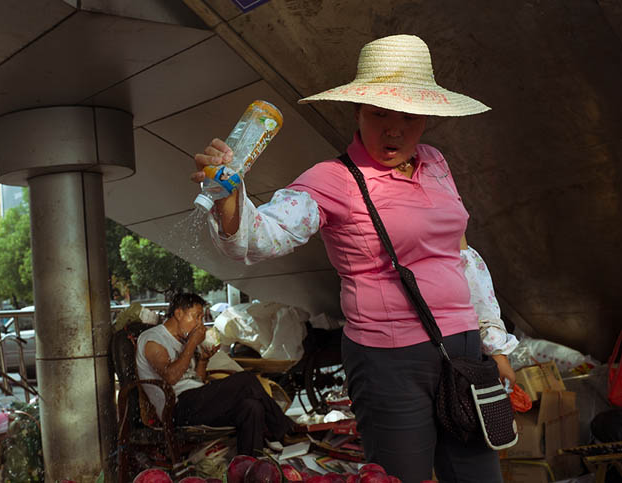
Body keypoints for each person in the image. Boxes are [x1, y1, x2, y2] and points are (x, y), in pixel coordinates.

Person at [191, 35, 518, 482]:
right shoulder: (333, 180)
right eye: (380, 113)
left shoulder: (436, 163)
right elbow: (264, 235)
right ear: (357, 112)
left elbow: (461, 254)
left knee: (480, 476)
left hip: (462, 351)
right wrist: (229, 199)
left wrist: (494, 344)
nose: (395, 129)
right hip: (390, 361)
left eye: (409, 115)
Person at [135, 293, 292, 456]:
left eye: (202, 318)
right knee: (246, 380)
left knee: (252, 406)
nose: (199, 323)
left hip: (196, 403)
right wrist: (192, 344)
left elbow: (196, 381)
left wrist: (203, 360)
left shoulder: (183, 340)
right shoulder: (153, 339)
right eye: (196, 317)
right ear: (179, 313)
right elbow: (171, 377)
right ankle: (285, 431)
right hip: (176, 409)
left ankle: (248, 466)